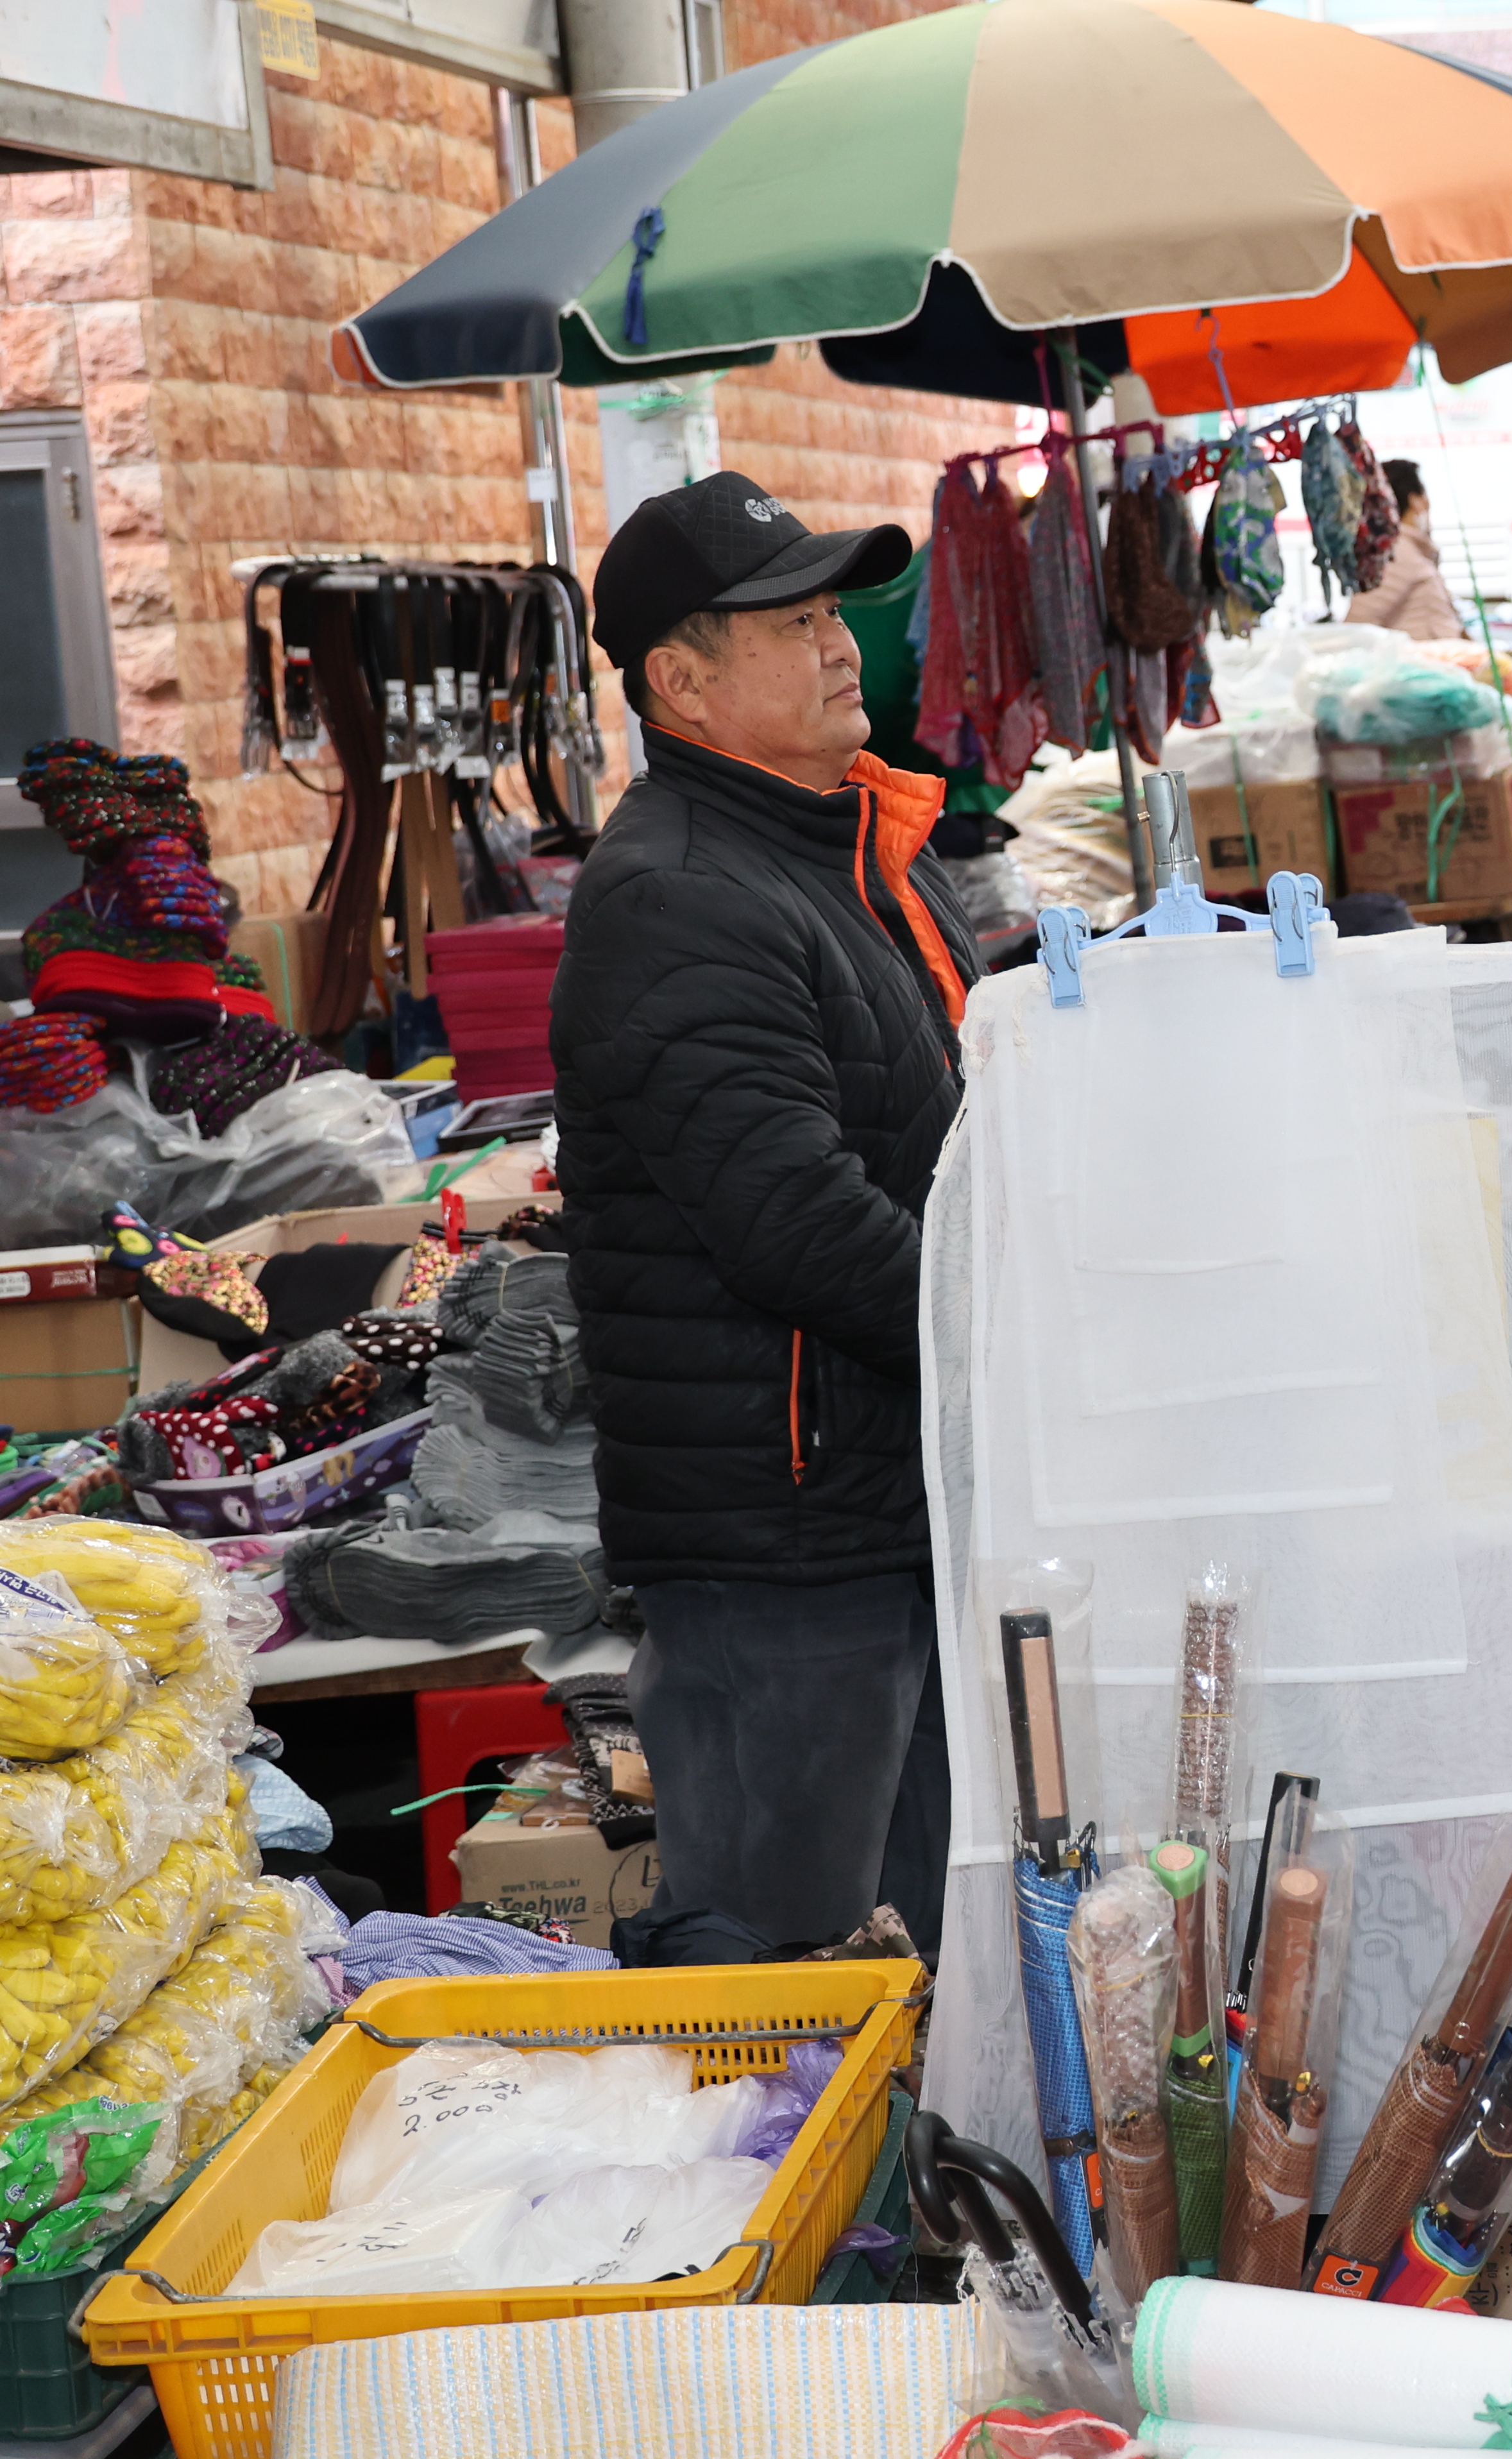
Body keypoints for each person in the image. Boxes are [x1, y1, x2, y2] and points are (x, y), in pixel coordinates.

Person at [552, 470, 960, 1961]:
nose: (842, 640)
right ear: (682, 681)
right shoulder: (677, 894)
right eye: (791, 620)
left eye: (834, 607)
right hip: (778, 1541)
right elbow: (792, 1216)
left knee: (920, 1951)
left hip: (877, 1503)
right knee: (775, 1971)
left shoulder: (829, 853)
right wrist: (1007, 1337)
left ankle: (915, 2203)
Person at [1341, 459, 1461, 641]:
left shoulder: (1411, 551)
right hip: (1418, 666)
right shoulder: (1396, 554)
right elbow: (1356, 628)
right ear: (1416, 501)